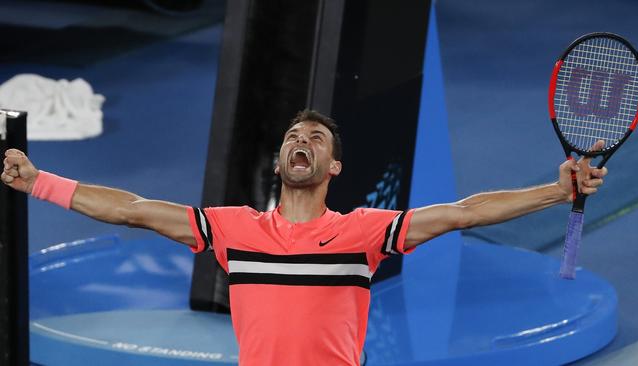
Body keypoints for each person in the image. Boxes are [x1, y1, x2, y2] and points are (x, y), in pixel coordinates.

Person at [2, 109, 607, 366]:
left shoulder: (364, 232)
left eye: (317, 138)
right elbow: (133, 209)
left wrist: (556, 193)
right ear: (279, 160)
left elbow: (463, 213)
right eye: (295, 134)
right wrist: (40, 183)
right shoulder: (233, 229)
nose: (303, 141)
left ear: (334, 168)